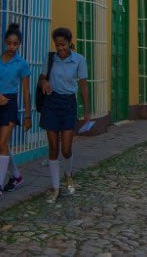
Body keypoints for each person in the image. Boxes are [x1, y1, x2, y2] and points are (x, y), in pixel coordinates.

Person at [38, 27, 90, 203]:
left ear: (69, 43)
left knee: (66, 149)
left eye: (63, 44)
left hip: (68, 104)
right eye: (57, 44)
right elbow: (42, 77)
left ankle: (69, 175)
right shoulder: (50, 58)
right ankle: (55, 188)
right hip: (51, 103)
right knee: (53, 148)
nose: (60, 48)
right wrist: (44, 82)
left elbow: (83, 85)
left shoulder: (79, 60)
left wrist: (87, 111)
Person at [0, 22, 31, 201]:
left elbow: (26, 90)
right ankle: (16, 176)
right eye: (9, 43)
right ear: (4, 42)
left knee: (3, 142)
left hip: (10, 104)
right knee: (1, 145)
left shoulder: (22, 64)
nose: (12, 46)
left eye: (15, 43)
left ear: (20, 44)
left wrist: (27, 115)